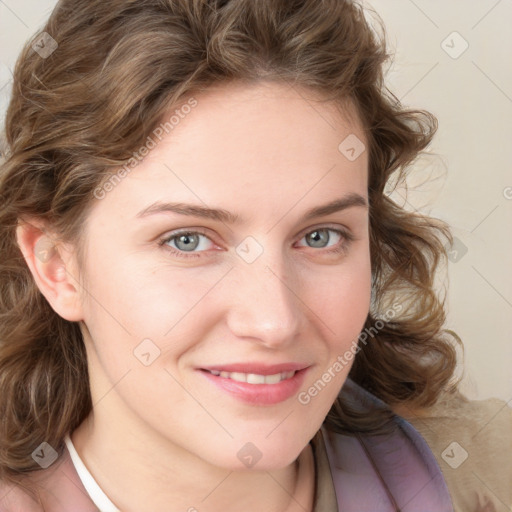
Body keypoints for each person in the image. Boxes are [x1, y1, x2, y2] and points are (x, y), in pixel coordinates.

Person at [0, 0, 506, 510]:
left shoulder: (488, 472)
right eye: (188, 240)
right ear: (57, 266)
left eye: (320, 236)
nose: (274, 322)